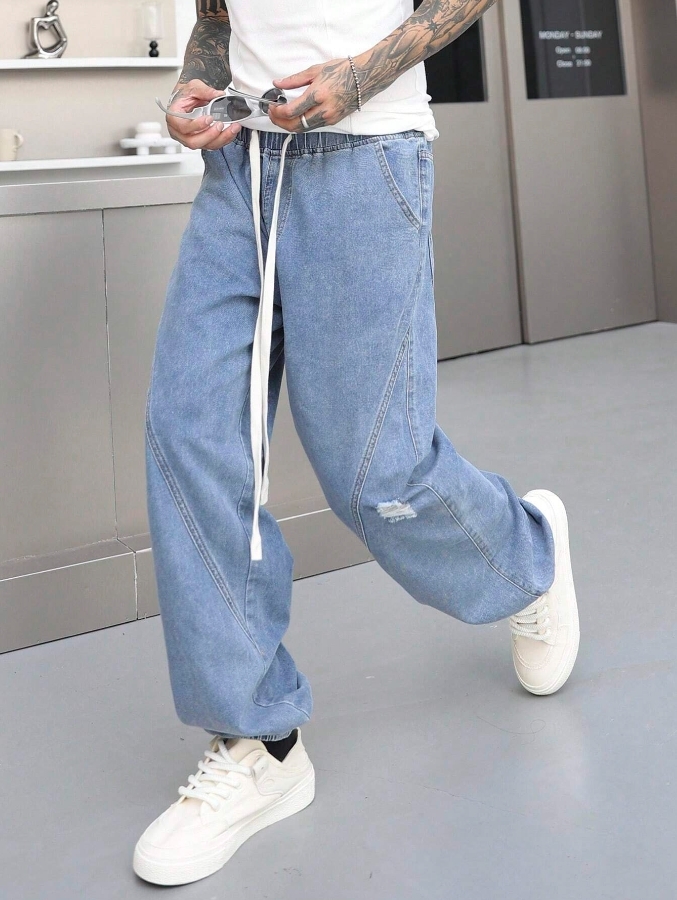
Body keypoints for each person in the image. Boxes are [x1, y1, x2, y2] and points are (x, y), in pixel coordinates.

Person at [133, 0, 580, 886]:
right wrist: (197, 84)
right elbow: (218, 15)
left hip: (366, 159)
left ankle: (525, 559)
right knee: (189, 432)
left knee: (376, 469)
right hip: (241, 169)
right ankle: (259, 741)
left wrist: (358, 77)